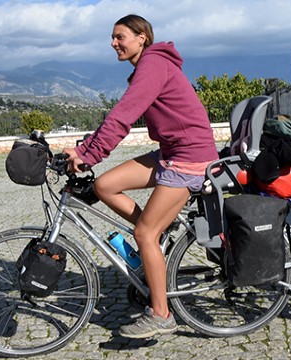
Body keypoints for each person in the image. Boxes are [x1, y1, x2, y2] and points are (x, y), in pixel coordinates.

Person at [63, 14, 219, 338]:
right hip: (171, 152)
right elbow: (118, 117)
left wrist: (89, 155)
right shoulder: (148, 66)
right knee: (104, 185)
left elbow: (122, 117)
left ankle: (161, 314)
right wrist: (85, 148)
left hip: (189, 157)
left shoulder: (153, 65)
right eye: (112, 37)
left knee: (144, 235)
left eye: (120, 36)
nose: (113, 43)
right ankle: (153, 235)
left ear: (141, 37)